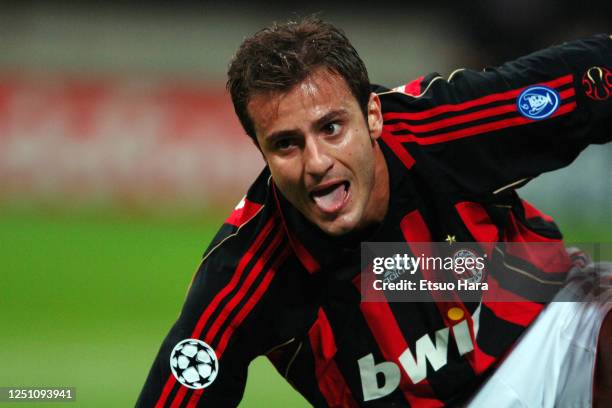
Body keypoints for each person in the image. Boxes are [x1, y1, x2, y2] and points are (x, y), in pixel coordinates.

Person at [137, 17, 611, 407]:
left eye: (332, 127)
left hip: (551, 333)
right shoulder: (246, 269)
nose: (317, 163)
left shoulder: (441, 128)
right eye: (286, 144)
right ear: (260, 152)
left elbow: (596, 73)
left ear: (373, 116)